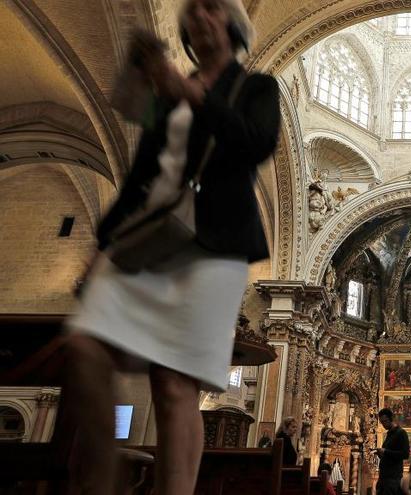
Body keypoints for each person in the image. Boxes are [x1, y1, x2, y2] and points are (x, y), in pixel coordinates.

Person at [60, 0, 280, 493]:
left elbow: (255, 143)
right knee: (83, 345)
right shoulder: (171, 93)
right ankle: (102, 472)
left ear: (232, 26)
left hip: (215, 244)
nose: (198, 15)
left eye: (210, 8)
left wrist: (192, 95)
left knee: (174, 384)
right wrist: (103, 244)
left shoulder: (256, 87)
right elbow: (140, 176)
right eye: (192, 10)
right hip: (151, 236)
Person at [375, 407, 410, 495]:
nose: (383, 424)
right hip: (384, 477)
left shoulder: (401, 433)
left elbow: (405, 454)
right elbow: (388, 454)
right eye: (381, 422)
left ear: (391, 419)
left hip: (393, 479)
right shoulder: (389, 434)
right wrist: (381, 454)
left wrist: (385, 452)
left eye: (385, 421)